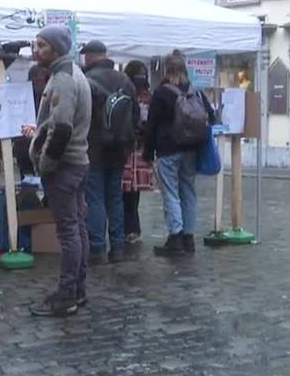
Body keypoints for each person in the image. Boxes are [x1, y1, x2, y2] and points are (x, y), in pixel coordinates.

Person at [27, 25, 92, 317]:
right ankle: (77, 289)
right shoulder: (70, 73)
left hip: (66, 165)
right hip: (76, 162)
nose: (35, 50)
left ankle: (67, 294)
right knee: (76, 227)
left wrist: (46, 163)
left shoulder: (64, 78)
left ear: (55, 48)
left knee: (68, 231)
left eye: (41, 45)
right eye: (36, 44)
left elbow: (62, 127)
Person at [144, 51, 210, 257]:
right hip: (192, 149)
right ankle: (189, 237)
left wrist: (148, 152)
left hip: (168, 150)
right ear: (184, 69)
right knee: (189, 192)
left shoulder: (161, 93)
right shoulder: (195, 92)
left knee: (171, 194)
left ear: (166, 69)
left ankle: (176, 236)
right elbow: (211, 115)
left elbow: (152, 125)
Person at [80, 41, 138, 265]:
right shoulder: (124, 80)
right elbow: (134, 116)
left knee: (94, 198)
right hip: (120, 149)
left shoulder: (86, 80)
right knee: (115, 197)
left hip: (94, 148)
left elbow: (82, 115)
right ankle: (118, 247)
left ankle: (96, 247)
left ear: (89, 57)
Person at [121, 61, 156, 243]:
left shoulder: (123, 94)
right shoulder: (147, 97)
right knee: (132, 193)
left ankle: (128, 228)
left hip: (128, 149)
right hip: (140, 149)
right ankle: (132, 228)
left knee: (125, 192)